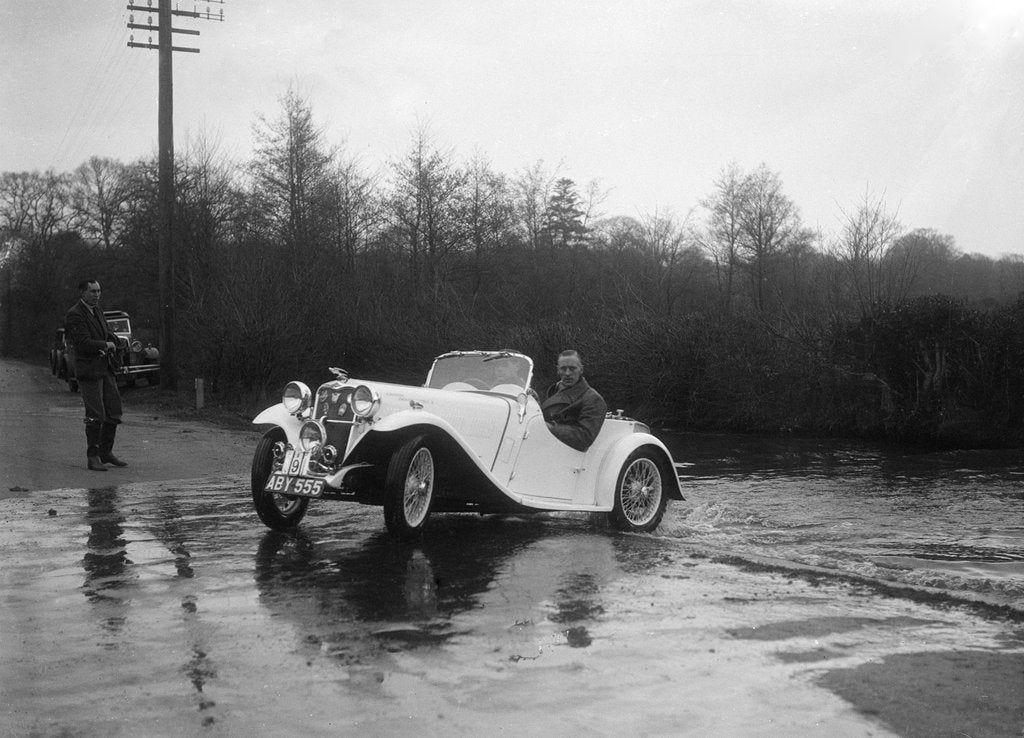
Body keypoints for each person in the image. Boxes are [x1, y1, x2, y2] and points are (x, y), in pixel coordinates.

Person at [64, 279, 127, 471]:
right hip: (89, 370)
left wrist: (115, 340)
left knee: (114, 411)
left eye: (99, 291)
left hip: (104, 367)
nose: (97, 294)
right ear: (82, 293)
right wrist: (104, 345)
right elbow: (82, 343)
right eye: (93, 291)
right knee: (95, 415)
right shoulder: (75, 314)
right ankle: (93, 456)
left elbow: (105, 332)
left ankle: (105, 453)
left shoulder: (97, 309)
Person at [540, 349, 607, 452]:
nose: (567, 373)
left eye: (572, 368)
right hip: (543, 444)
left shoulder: (593, 399)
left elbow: (585, 437)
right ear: (558, 370)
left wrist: (549, 427)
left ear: (581, 370)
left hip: (565, 453)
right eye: (563, 369)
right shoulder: (553, 389)